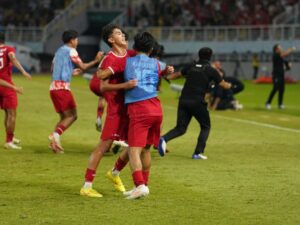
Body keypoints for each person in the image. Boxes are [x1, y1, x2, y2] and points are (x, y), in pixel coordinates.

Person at [80, 24, 137, 198]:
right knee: (103, 146)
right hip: (116, 110)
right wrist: (125, 85)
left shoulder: (131, 54)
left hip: (131, 108)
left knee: (136, 145)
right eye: (119, 33)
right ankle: (87, 186)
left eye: (123, 33)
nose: (123, 35)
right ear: (111, 40)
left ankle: (114, 173)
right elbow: (101, 82)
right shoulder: (110, 58)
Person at [122, 32, 173, 199]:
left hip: (139, 109)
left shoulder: (127, 62)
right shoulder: (158, 64)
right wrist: (166, 71)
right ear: (151, 49)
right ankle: (144, 184)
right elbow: (165, 72)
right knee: (145, 150)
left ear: (135, 47)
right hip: (156, 109)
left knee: (133, 150)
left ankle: (139, 185)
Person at [158, 48, 231, 160]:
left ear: (199, 55)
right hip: (197, 102)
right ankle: (198, 153)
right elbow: (223, 85)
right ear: (210, 56)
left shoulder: (191, 66)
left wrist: (166, 77)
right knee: (205, 126)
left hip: (183, 100)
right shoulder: (211, 70)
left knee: (181, 128)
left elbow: (177, 75)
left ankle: (163, 139)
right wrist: (229, 85)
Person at [49, 30, 103, 153]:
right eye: (77, 39)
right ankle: (54, 137)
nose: (77, 42)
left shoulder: (58, 51)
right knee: (73, 116)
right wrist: (96, 60)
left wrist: (70, 72)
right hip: (62, 89)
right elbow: (83, 66)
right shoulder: (71, 50)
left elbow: (53, 69)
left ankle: (54, 143)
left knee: (64, 117)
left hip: (53, 88)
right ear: (72, 40)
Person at [0, 31, 32, 150]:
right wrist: (23, 71)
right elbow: (12, 58)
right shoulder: (9, 49)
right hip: (6, 85)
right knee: (12, 114)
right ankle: (9, 141)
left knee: (7, 113)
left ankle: (10, 137)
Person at [265, 44, 296, 109]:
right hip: (276, 75)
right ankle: (268, 102)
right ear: (276, 49)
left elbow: (285, 67)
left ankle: (280, 104)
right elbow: (284, 54)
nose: (281, 48)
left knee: (282, 89)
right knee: (275, 88)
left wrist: (288, 66)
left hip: (281, 75)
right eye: (280, 47)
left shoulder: (281, 58)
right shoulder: (275, 55)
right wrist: (291, 49)